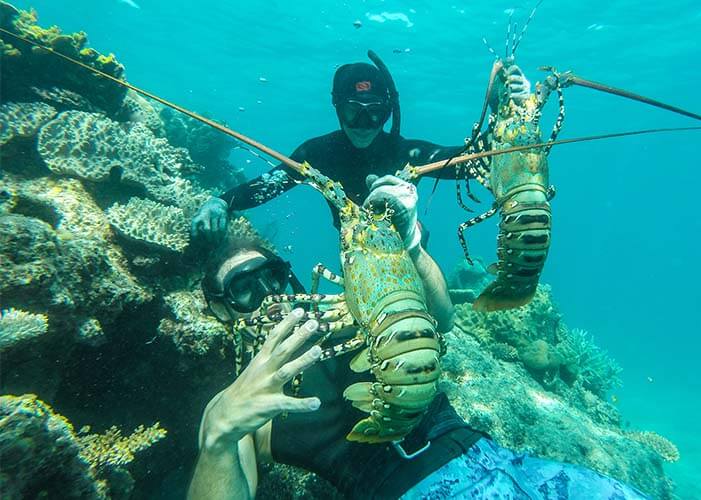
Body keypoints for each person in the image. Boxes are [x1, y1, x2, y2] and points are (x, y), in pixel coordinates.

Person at [187, 187, 648, 499]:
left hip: (500, 460)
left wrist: (409, 243)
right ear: (223, 310)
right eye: (244, 289)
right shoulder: (235, 407)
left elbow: (441, 317)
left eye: (271, 277)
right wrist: (219, 441)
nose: (267, 297)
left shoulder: (346, 307)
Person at [189, 53, 534, 240]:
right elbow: (271, 184)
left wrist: (506, 112)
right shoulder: (316, 155)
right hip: (353, 254)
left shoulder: (408, 153)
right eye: (353, 113)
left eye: (376, 115)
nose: (365, 126)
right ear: (337, 108)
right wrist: (221, 202)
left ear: (388, 112)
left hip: (410, 250)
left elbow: (468, 162)